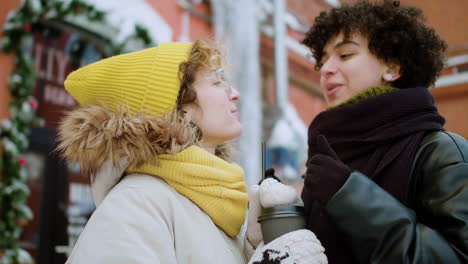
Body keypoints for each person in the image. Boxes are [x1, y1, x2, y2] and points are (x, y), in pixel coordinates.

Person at [299, 0, 468, 263]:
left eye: (345, 55)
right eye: (323, 60)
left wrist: (352, 198)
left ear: (392, 68)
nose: (327, 69)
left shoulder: (441, 151)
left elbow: (456, 257)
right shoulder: (329, 157)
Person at [57, 40, 249, 263]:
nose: (234, 93)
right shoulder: (136, 205)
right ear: (180, 108)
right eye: (217, 82)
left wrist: (255, 249)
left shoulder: (213, 198)